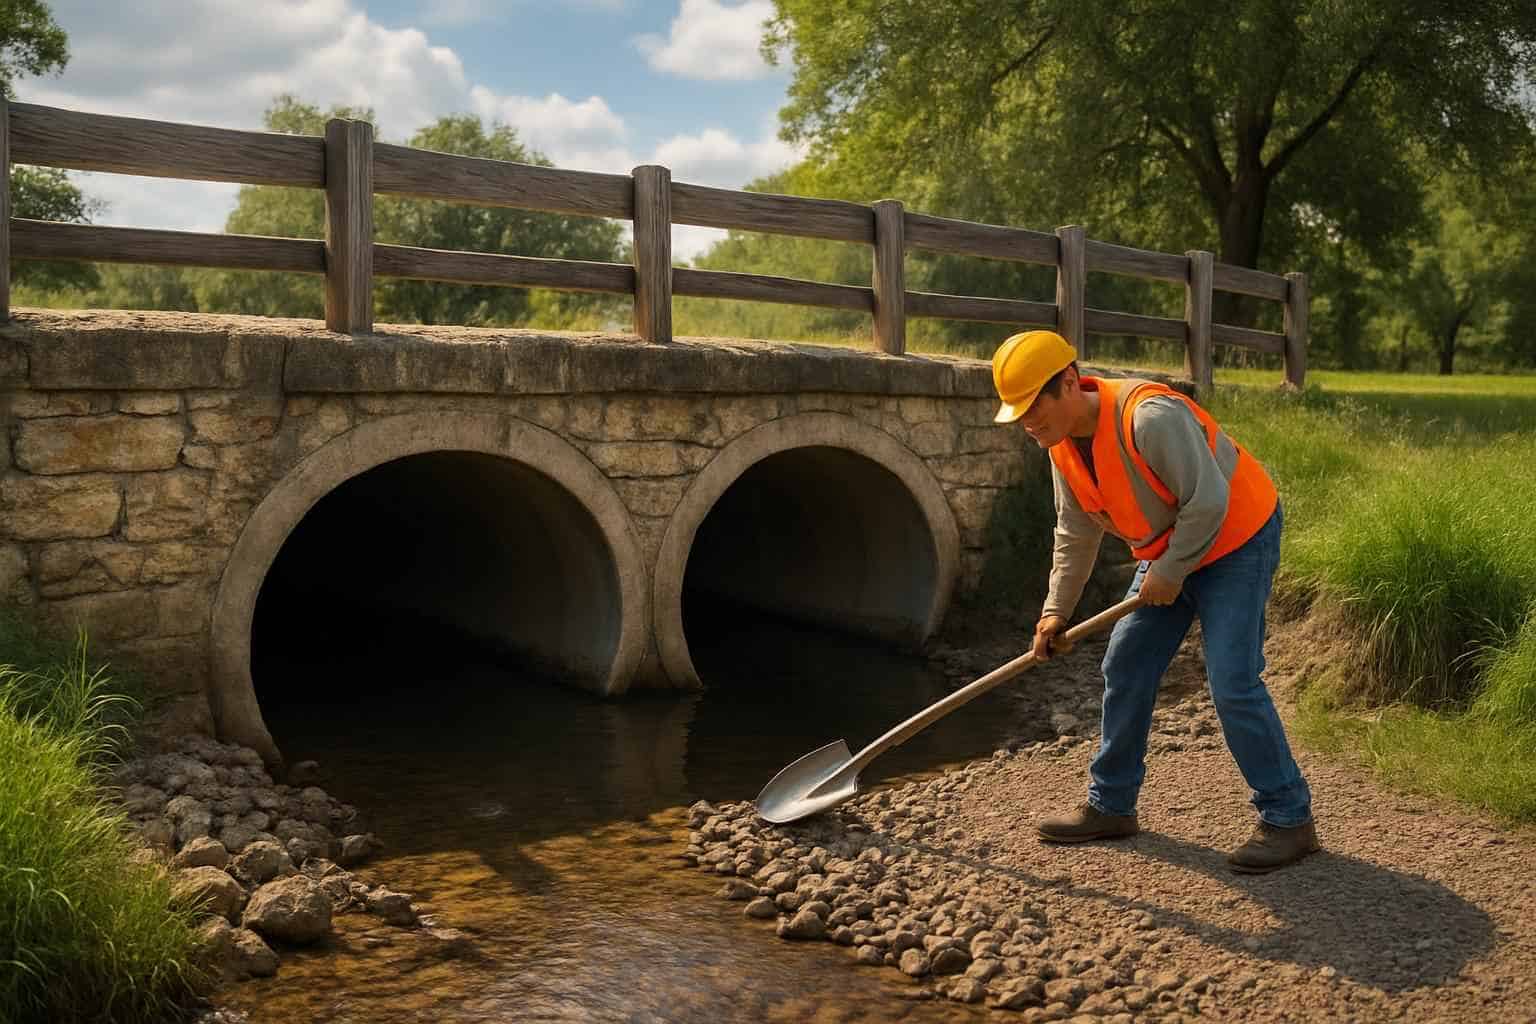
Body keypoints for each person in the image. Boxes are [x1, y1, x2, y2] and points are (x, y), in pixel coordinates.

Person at [991, 329, 1318, 873]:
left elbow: (1210, 500)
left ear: (1069, 383)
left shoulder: (1150, 418)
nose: (1026, 422)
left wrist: (1168, 572)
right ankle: (1111, 806)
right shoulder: (1061, 444)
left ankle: (1289, 819)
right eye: (1017, 412)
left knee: (1233, 680)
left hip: (1235, 538)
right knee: (1127, 662)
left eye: (1032, 407)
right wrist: (1055, 611)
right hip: (1173, 545)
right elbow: (1075, 531)